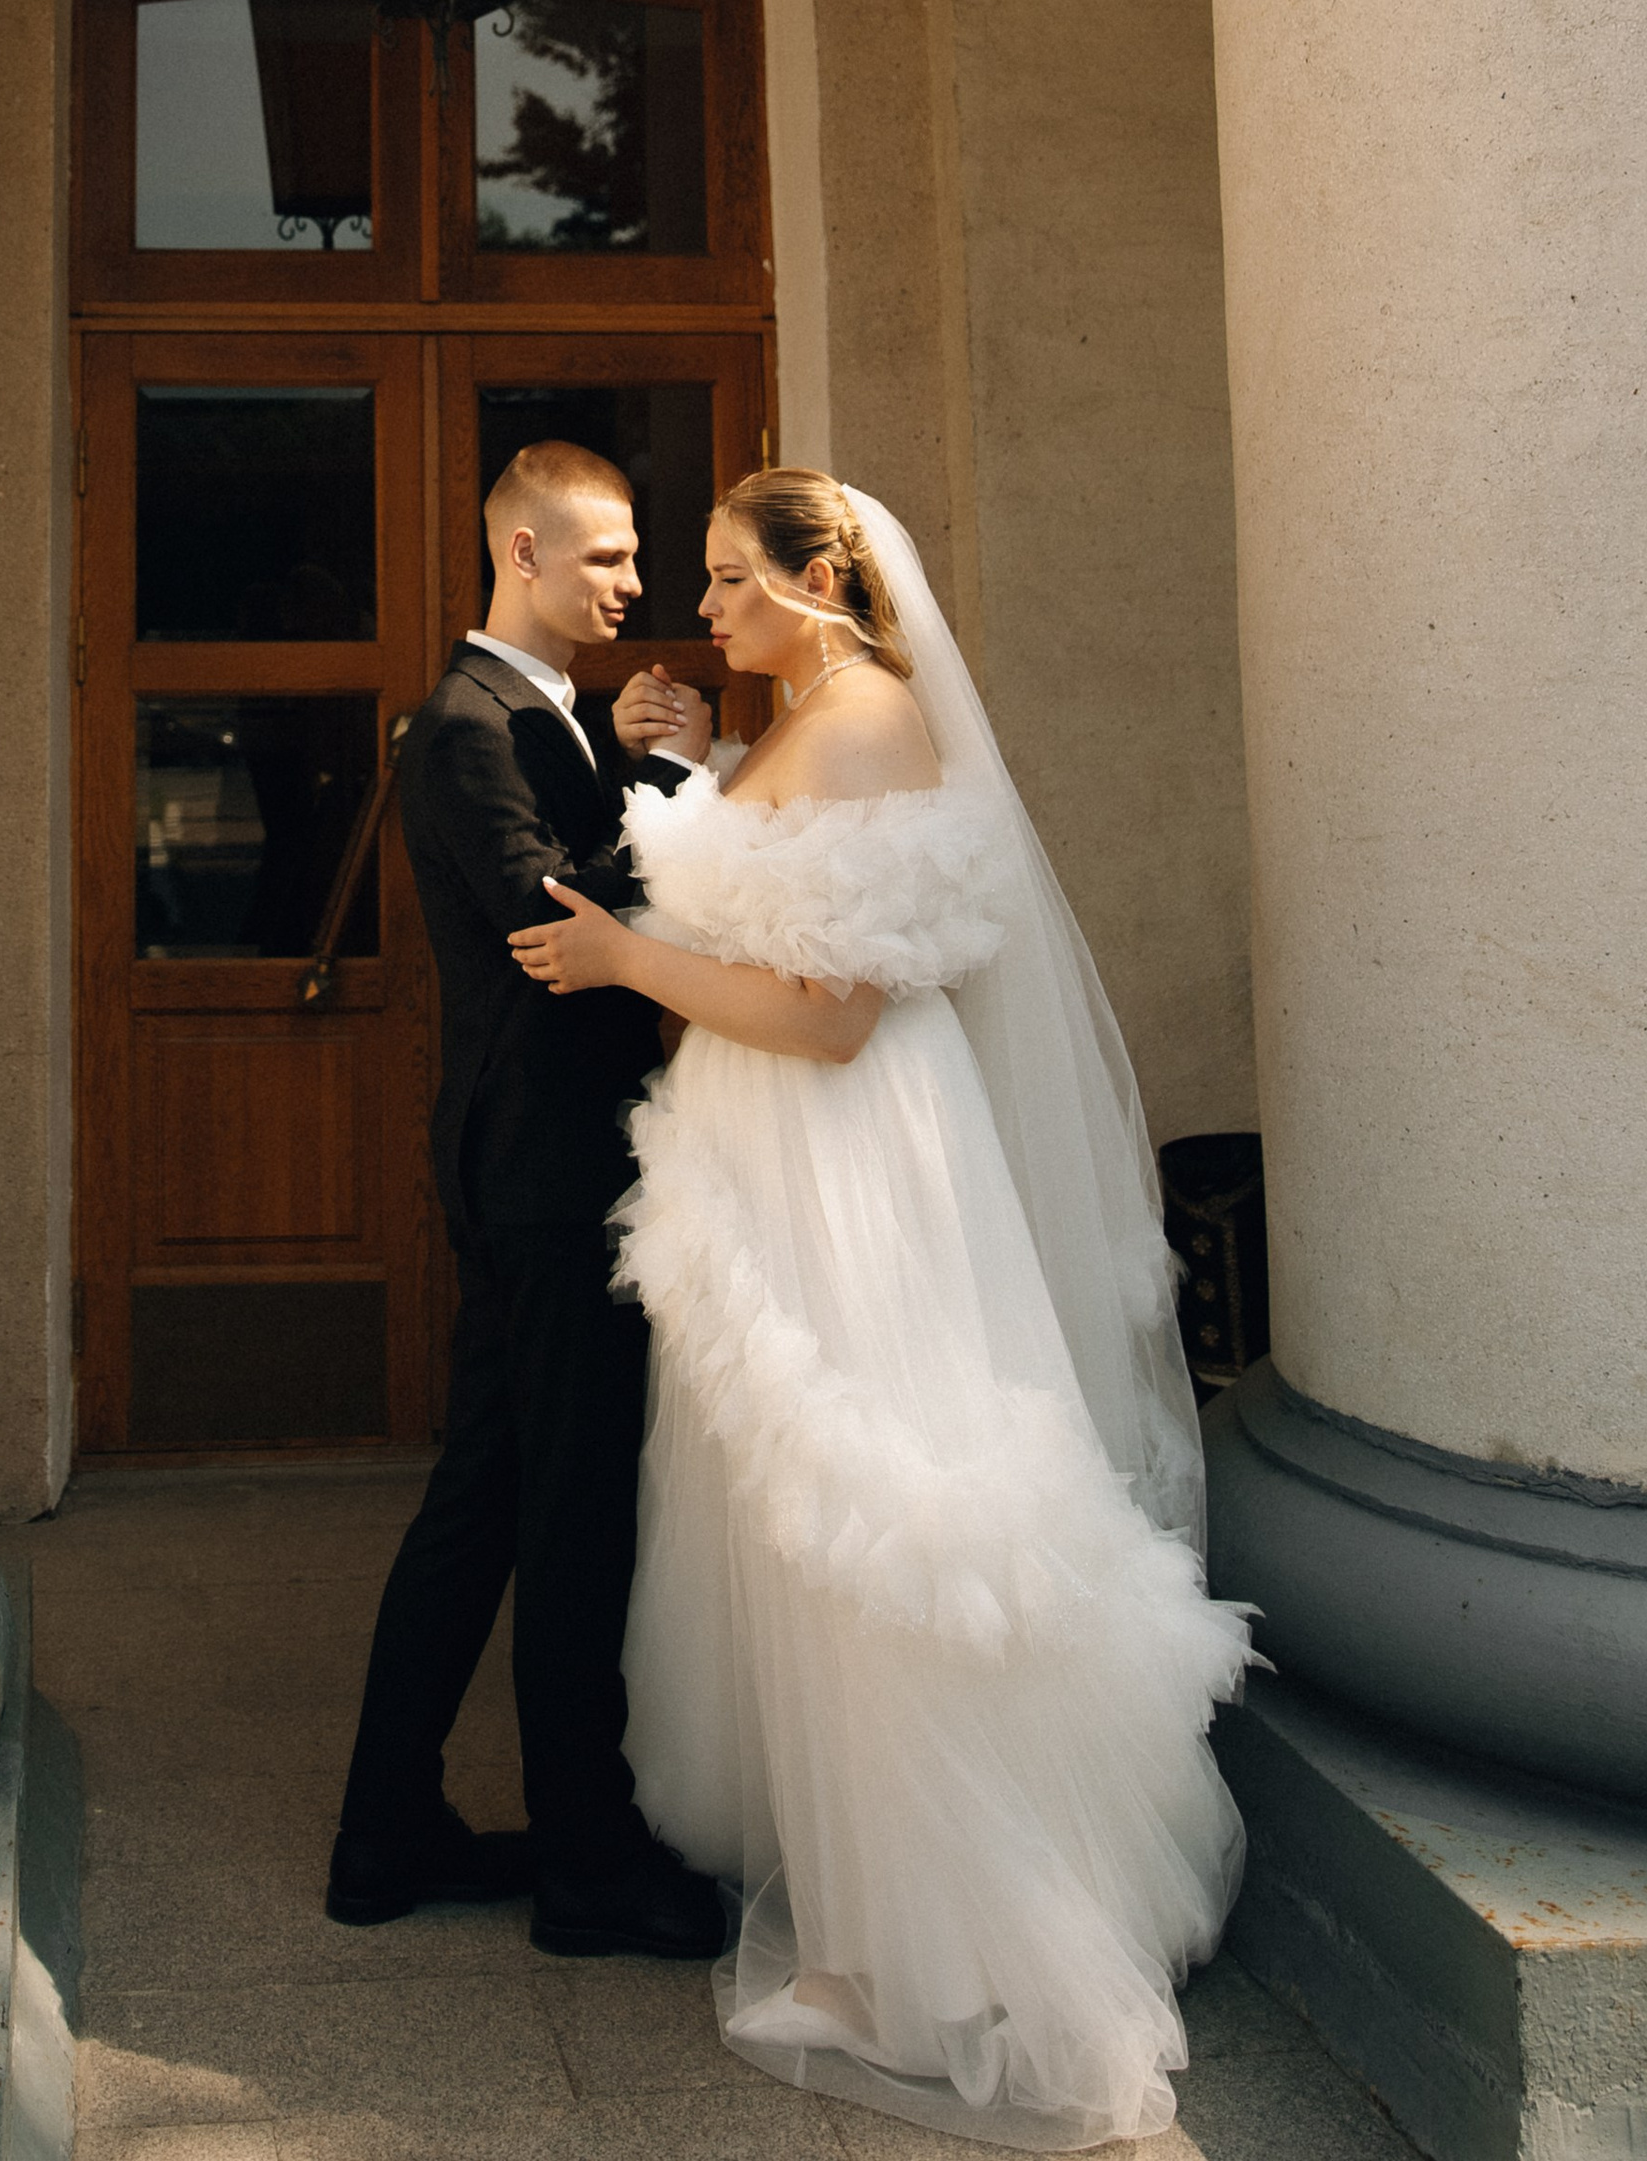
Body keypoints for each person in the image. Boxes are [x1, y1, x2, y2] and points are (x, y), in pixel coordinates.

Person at [508, 469, 1251, 2148]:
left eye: (733, 578)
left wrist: (626, 960)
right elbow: (786, 894)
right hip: (783, 1158)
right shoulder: (814, 718)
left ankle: (924, 1951)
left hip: (846, 1166)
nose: (711, 606)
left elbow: (830, 1014)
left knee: (868, 1525)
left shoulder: (862, 721)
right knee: (800, 1532)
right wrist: (702, 763)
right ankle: (856, 1911)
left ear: (821, 582)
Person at [329, 441, 730, 1962]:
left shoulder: (540, 714)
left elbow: (572, 849)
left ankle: (386, 1832)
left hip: (541, 1164)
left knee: (486, 1501)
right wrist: (679, 793)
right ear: (521, 550)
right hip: (551, 1174)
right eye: (608, 555)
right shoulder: (462, 727)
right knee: (572, 1521)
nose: (634, 582)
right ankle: (586, 1867)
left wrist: (623, 763)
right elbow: (546, 914)